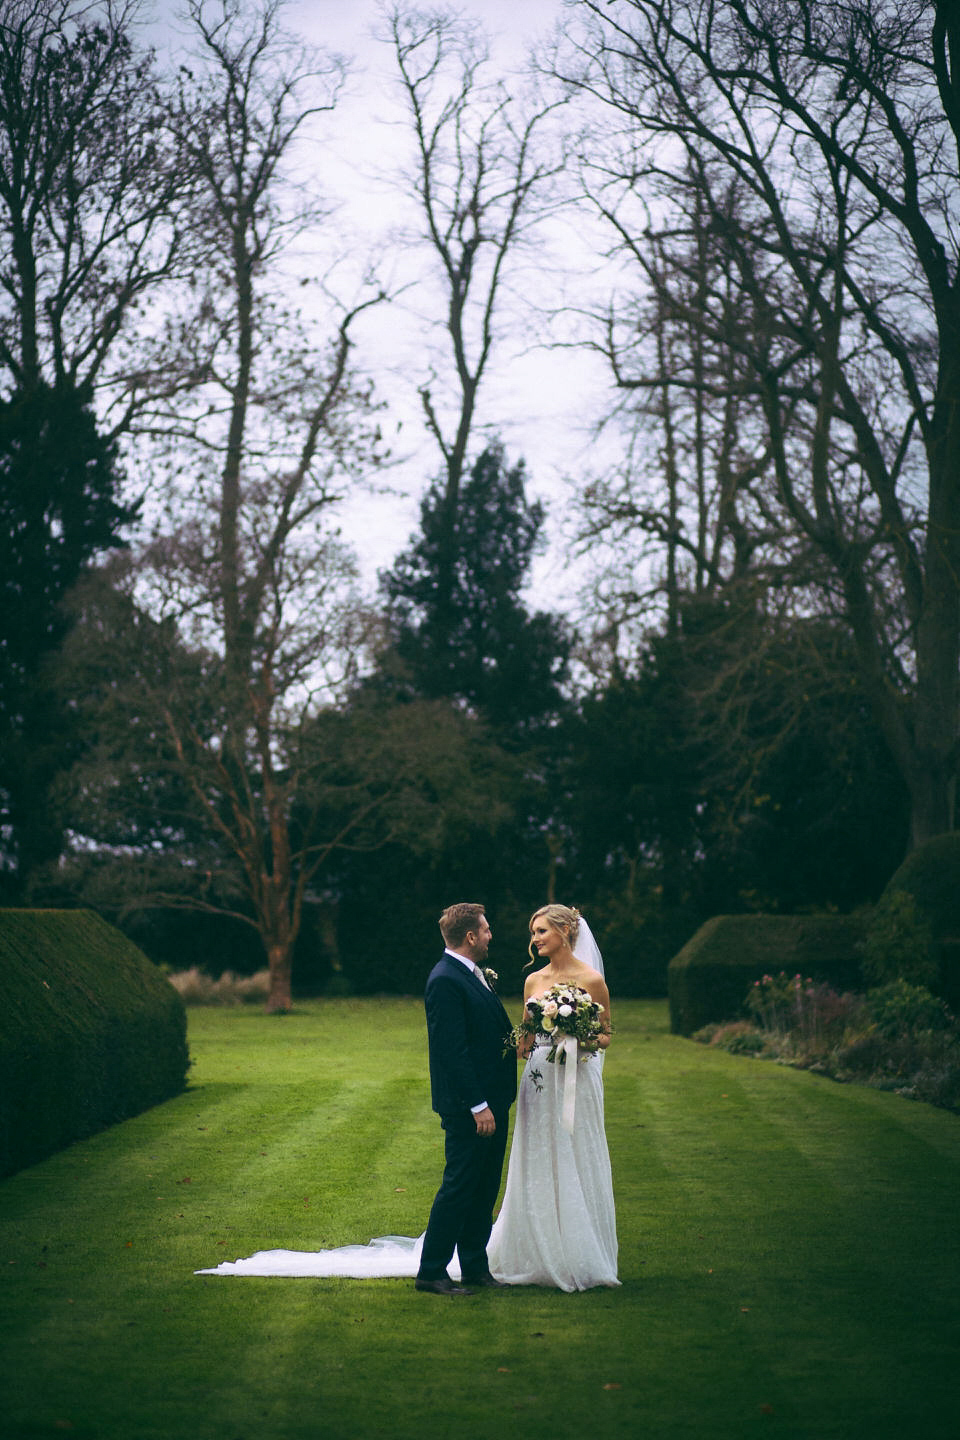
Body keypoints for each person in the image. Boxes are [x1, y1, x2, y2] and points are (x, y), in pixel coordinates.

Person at [486, 903, 619, 1291]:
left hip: (578, 1074)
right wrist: (527, 1043)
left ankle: (580, 1252)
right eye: (534, 933)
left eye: (541, 931)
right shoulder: (533, 982)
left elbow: (607, 1034)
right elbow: (525, 1039)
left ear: (564, 931)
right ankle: (535, 1252)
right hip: (541, 1076)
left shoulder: (592, 980)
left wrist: (576, 1034)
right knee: (539, 1155)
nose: (535, 939)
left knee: (577, 1153)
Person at [415, 901, 518, 1295]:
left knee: (483, 1187)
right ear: (471, 936)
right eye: (487, 930)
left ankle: (475, 1266)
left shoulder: (471, 975)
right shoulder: (445, 980)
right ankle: (431, 1272)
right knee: (459, 1186)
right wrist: (478, 1106)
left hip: (493, 1100)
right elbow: (451, 1051)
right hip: (470, 1107)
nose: (492, 935)